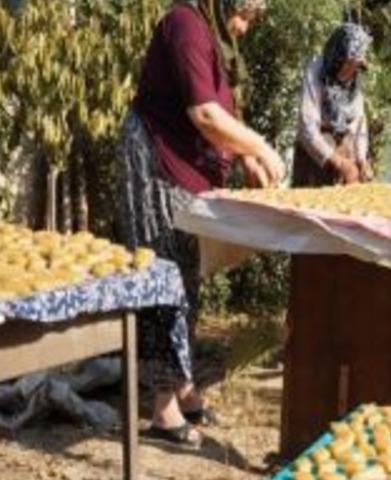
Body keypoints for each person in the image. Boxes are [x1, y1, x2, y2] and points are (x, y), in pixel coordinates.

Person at [115, 0, 284, 450]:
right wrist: (263, 147)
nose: (245, 28)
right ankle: (162, 408)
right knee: (162, 278)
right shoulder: (186, 25)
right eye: (244, 15)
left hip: (185, 176)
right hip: (154, 165)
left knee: (186, 277)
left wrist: (245, 154)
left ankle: (183, 384)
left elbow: (221, 112)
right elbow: (204, 115)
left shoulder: (212, 37)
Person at [293, 23, 374, 187]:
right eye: (349, 64)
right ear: (338, 57)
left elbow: (359, 122)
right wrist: (338, 162)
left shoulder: (354, 81)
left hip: (345, 150)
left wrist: (361, 159)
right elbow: (307, 127)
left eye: (356, 66)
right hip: (315, 154)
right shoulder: (316, 71)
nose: (352, 70)